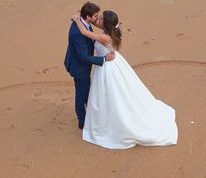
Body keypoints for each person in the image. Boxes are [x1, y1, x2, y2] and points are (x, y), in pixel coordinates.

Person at [71, 10, 178, 149]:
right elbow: (95, 32)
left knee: (110, 94)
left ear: (106, 24)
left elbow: (86, 34)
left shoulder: (105, 38)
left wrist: (77, 20)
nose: (98, 19)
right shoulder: (109, 34)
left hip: (107, 67)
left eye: (101, 19)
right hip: (111, 64)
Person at [64, 2, 115, 129]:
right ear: (88, 17)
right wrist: (103, 59)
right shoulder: (77, 32)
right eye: (96, 16)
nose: (97, 19)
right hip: (79, 67)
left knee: (87, 91)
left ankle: (91, 116)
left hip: (84, 65)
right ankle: (82, 121)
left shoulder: (84, 22)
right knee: (81, 93)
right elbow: (83, 57)